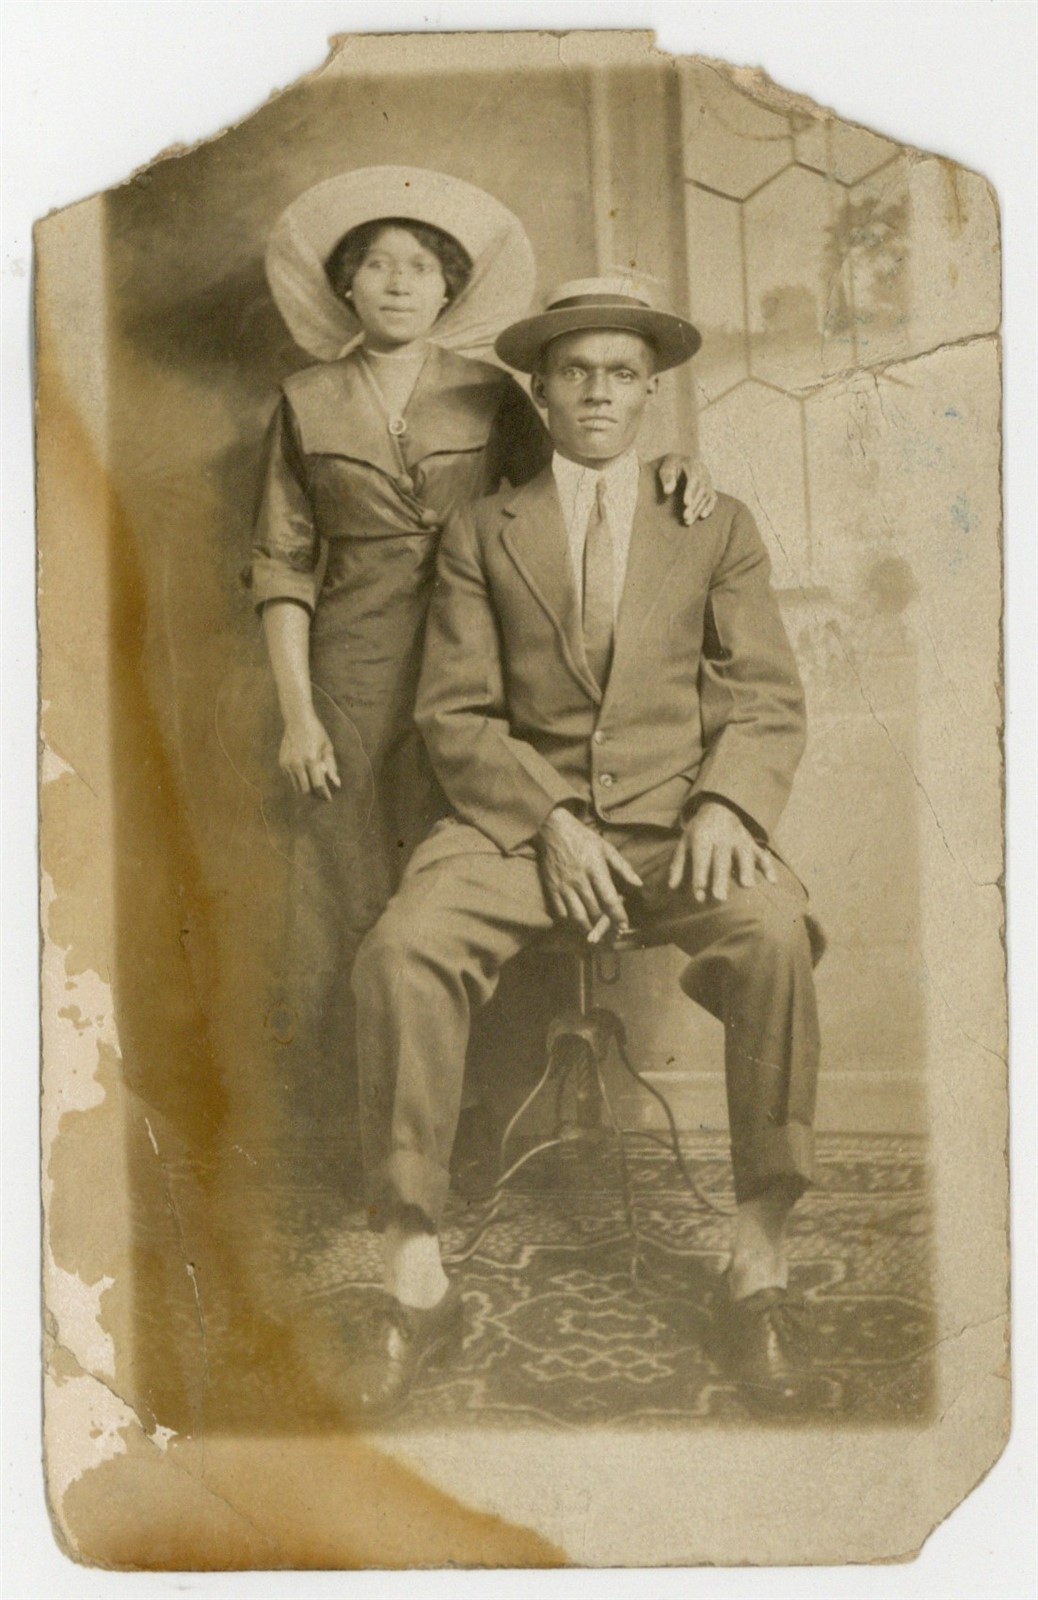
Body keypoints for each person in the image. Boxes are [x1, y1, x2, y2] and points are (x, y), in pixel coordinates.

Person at [349, 276, 825, 1416]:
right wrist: (550, 820)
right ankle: (414, 1274)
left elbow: (764, 698)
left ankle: (758, 1257)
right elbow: (453, 714)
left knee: (769, 930)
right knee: (400, 949)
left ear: (651, 394)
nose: (598, 391)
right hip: (516, 830)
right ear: (542, 391)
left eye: (621, 373)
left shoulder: (715, 521)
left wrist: (727, 810)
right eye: (575, 372)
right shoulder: (481, 527)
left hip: (676, 824)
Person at [248, 170, 715, 1188]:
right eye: (377, 264)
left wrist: (673, 462)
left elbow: (576, 486)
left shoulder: (494, 392)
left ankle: (484, 1137)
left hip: (487, 678)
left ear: (450, 286)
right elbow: (281, 566)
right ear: (346, 284)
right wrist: (297, 714)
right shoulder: (304, 400)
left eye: (422, 265)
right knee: (347, 907)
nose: (399, 283)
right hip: (353, 683)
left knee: (479, 884)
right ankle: (378, 1159)